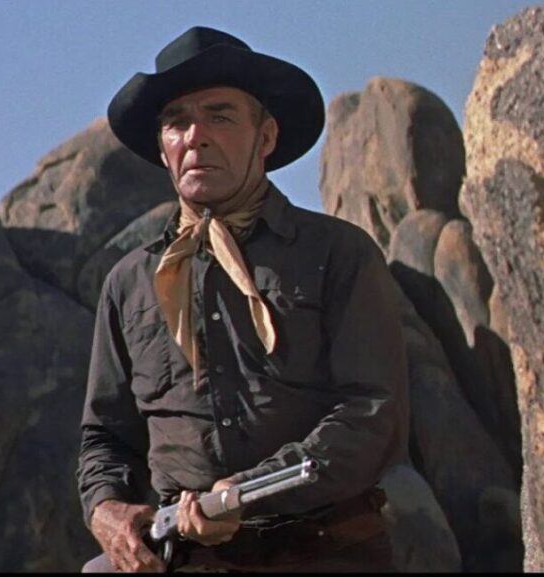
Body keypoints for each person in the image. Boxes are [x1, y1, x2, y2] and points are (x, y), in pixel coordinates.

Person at [77, 26, 409, 572]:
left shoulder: (337, 254)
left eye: (220, 115)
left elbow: (372, 412)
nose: (195, 136)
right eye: (176, 121)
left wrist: (247, 493)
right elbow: (104, 436)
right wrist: (107, 509)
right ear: (163, 148)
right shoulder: (130, 282)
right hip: (182, 554)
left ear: (267, 136)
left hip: (322, 548)